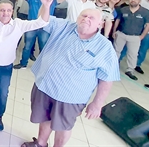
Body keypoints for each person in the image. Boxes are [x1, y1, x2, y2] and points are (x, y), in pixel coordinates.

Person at [21, 8, 120, 147]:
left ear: (100, 24)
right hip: (45, 86)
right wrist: (46, 4)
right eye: (83, 15)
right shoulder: (65, 26)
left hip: (70, 97)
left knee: (63, 126)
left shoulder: (104, 47)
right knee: (45, 117)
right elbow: (43, 21)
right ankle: (41, 143)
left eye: (91, 18)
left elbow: (107, 78)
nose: (86, 19)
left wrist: (97, 104)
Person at [0, 0, 52, 131]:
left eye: (9, 10)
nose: (5, 13)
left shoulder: (19, 24)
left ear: (13, 11)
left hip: (6, 67)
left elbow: (42, 22)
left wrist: (46, 6)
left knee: (3, 93)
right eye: (2, 10)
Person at [15, 0, 59, 69]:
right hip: (32, 25)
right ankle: (23, 64)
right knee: (27, 46)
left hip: (46, 27)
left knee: (44, 47)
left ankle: (42, 66)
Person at [112, 0, 149, 80]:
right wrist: (114, 31)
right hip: (121, 34)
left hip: (135, 37)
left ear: (139, 1)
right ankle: (113, 67)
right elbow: (117, 21)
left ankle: (130, 70)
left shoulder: (146, 12)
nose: (133, 0)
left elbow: (148, 25)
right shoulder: (124, 10)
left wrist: (142, 36)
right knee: (116, 51)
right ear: (128, 0)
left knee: (133, 54)